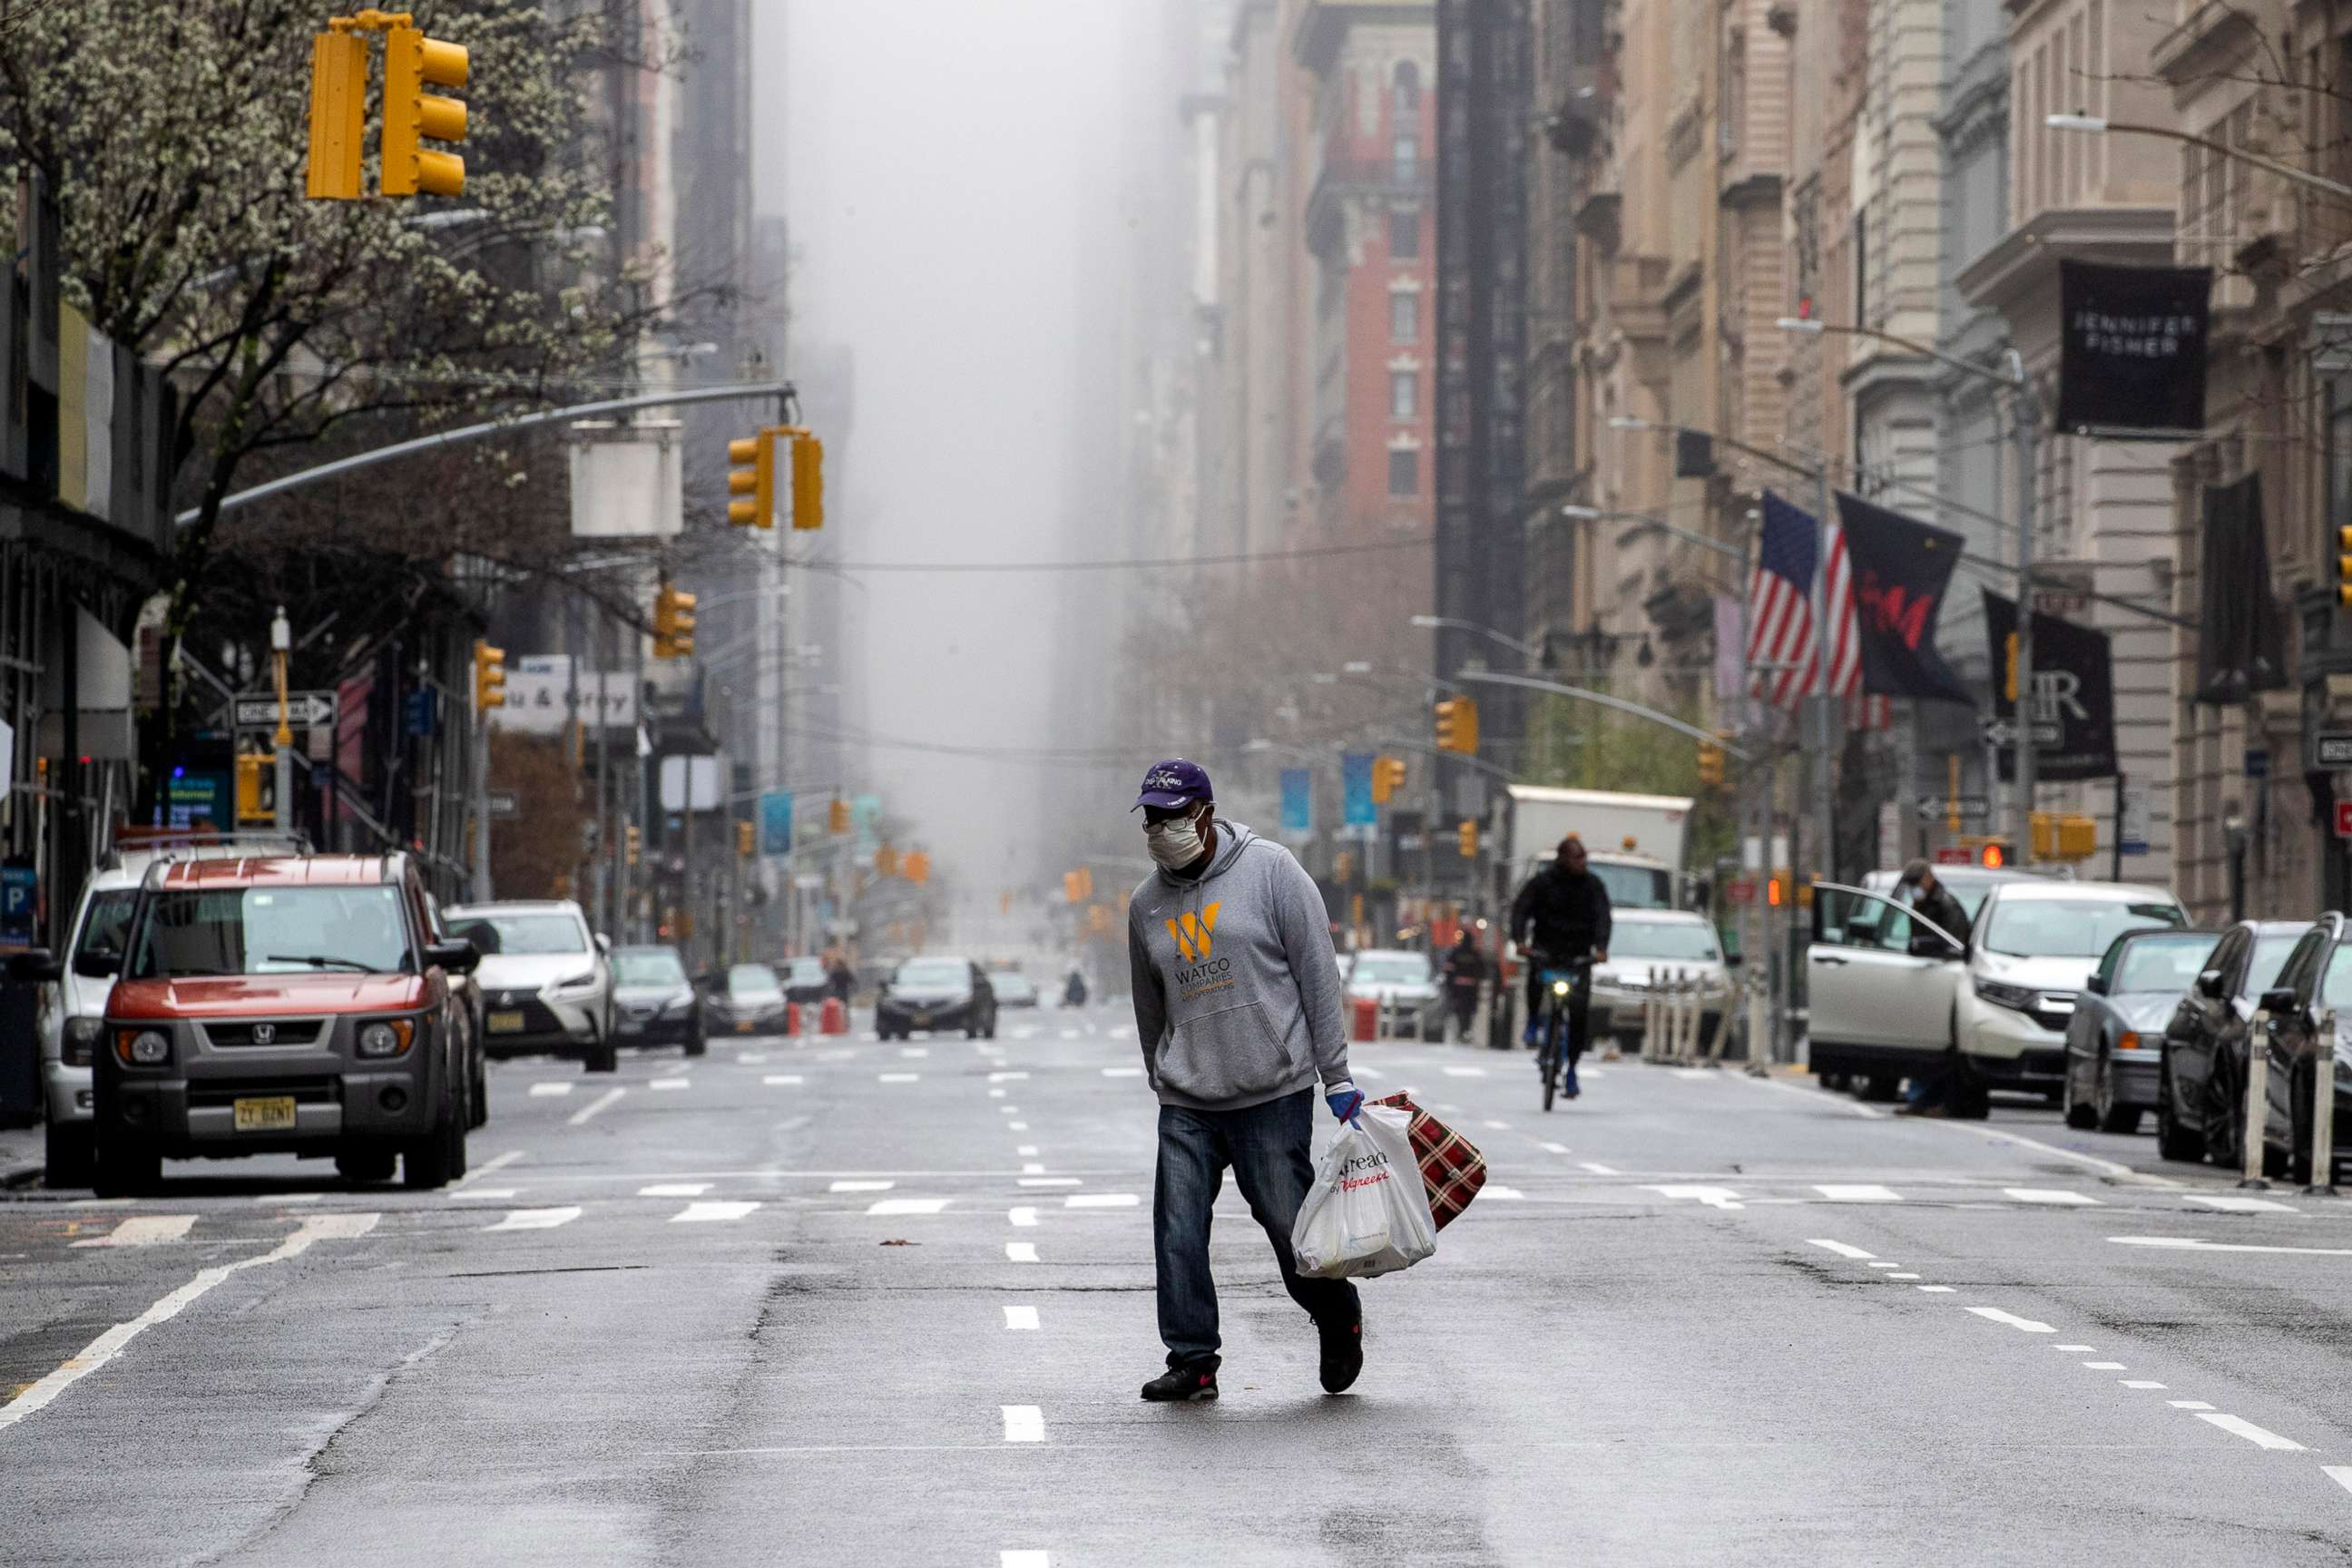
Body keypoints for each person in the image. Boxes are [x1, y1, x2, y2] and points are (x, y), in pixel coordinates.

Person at [1124, 758, 1366, 1404]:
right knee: (1177, 1231)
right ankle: (1193, 1360)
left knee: (1292, 1231)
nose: (1159, 830)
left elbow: (1318, 974)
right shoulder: (1145, 905)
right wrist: (1162, 1074)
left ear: (1204, 813)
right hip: (1188, 1099)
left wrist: (1336, 1075)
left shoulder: (1273, 872)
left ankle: (1336, 1314)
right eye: (1151, 819)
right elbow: (1150, 1004)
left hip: (1272, 1089)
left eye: (1171, 817)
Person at [1507, 835, 1612, 1098]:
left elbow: (1603, 917)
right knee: (1535, 981)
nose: (1582, 862)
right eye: (1577, 857)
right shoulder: (1543, 883)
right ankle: (1533, 1022)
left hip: (1578, 956)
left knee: (1578, 1015)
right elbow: (1520, 910)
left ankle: (1573, 1070)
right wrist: (1520, 941)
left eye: (1584, 857)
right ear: (1563, 858)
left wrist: (1600, 948)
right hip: (1547, 950)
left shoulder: (1592, 885)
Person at [1892, 858, 1972, 1118]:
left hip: (1942, 982)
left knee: (1940, 1048)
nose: (1914, 889)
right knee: (1922, 1046)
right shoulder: (1919, 905)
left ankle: (1938, 1100)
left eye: (1916, 883)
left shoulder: (1947, 907)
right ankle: (1920, 1099)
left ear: (1928, 878)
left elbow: (1955, 947)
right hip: (1923, 982)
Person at [1441, 928, 1487, 1041]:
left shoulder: (1455, 953)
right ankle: (1466, 1030)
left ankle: (1462, 1030)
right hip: (1471, 987)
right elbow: (1481, 970)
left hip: (1458, 987)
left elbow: (1449, 970)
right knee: (1469, 1010)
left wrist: (1449, 984)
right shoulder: (1475, 954)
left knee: (1459, 1009)